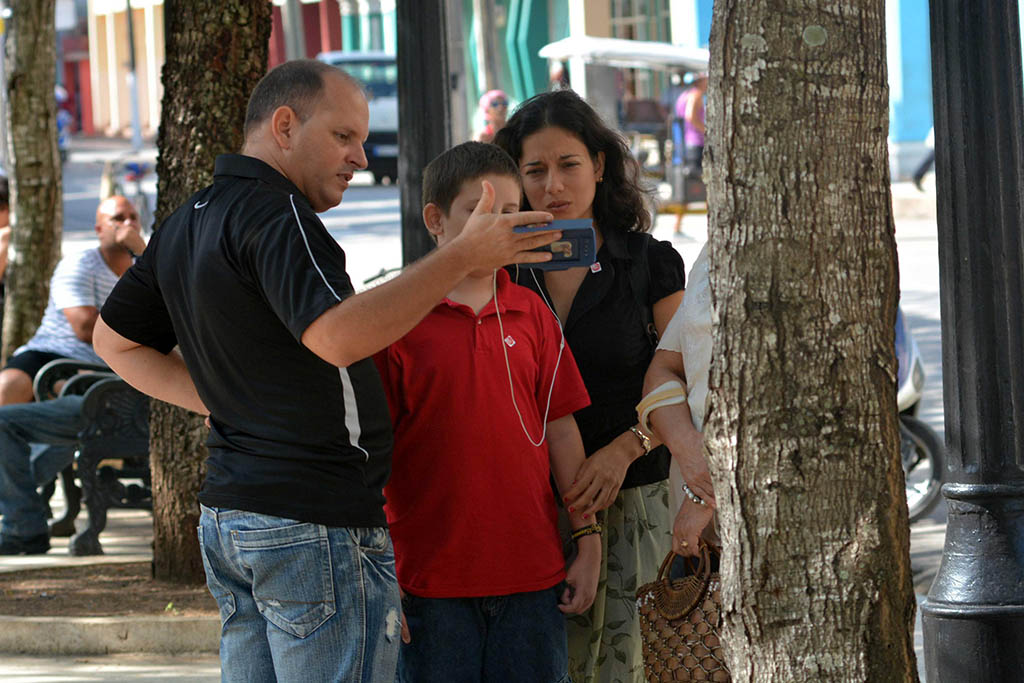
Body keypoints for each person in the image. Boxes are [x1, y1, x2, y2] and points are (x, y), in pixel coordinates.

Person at [92, 59, 560, 683]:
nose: (360, 158)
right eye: (344, 137)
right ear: (284, 126)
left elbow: (114, 343)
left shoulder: (189, 217)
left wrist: (230, 403)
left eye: (363, 141)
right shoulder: (279, 214)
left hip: (235, 517)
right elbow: (338, 337)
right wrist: (463, 256)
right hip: (311, 520)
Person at [375, 141, 600, 682]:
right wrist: (382, 577)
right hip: (428, 585)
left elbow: (561, 429)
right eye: (481, 213)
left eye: (509, 214)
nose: (500, 228)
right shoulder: (392, 318)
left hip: (533, 578)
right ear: (436, 219)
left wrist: (588, 541)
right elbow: (371, 460)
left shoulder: (533, 315)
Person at [494, 89, 686, 682]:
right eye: (535, 170)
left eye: (568, 165)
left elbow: (683, 379)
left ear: (599, 167)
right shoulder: (498, 268)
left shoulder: (650, 263)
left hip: (636, 497)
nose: (553, 185)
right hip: (528, 511)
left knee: (633, 667)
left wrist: (627, 447)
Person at [0, 196, 144, 406]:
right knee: (7, 389)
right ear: (99, 229)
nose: (128, 224)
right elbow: (86, 328)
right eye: (118, 218)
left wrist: (143, 252)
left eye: (133, 218)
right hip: (51, 354)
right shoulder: (79, 264)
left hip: (110, 368)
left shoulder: (143, 271)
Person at [639, 244, 716, 558]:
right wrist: (688, 448)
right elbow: (665, 368)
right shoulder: (712, 251)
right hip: (698, 529)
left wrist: (703, 494)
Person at [0, 393, 90, 555]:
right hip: (99, 397)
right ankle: (24, 526)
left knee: (2, 420)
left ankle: (23, 528)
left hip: (104, 399)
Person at [675, 72, 707, 174]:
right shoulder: (695, 95)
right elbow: (690, 116)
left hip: (686, 141)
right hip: (696, 141)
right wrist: (706, 131)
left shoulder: (684, 95)